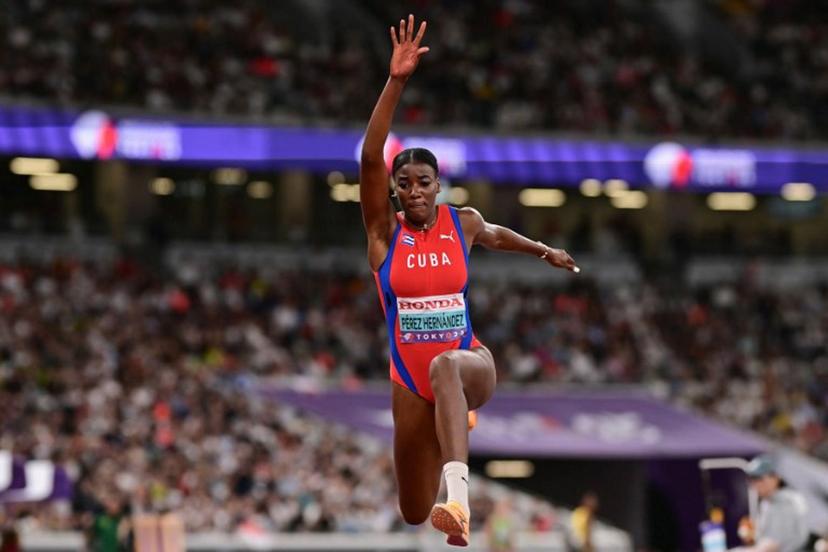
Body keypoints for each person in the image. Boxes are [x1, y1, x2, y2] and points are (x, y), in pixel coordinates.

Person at [359, 14, 578, 547]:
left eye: (424, 182)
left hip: (467, 359)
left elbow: (499, 235)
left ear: (439, 186)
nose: (413, 191)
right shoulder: (384, 236)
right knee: (412, 511)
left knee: (445, 366)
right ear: (393, 192)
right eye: (403, 183)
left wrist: (544, 250)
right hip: (408, 380)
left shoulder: (464, 222)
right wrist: (397, 82)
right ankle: (447, 431)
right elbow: (369, 157)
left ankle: (458, 499)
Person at [731, 455, 808, 552]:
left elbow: (769, 547)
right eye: (751, 479)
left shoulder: (783, 503)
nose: (755, 484)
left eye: (759, 478)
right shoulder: (768, 501)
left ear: (775, 478)